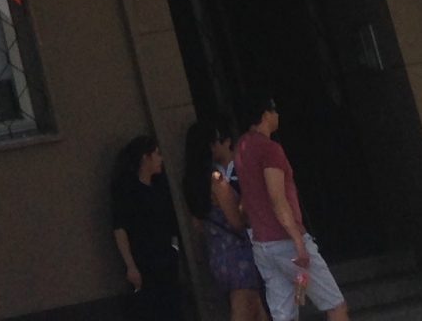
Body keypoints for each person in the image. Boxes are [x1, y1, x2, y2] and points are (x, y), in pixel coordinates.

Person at [233, 96, 350, 321]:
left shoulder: (242, 148)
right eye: (274, 110)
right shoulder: (270, 149)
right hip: (286, 242)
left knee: (284, 313)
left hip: (262, 244)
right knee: (335, 305)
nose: (277, 115)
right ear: (265, 114)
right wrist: (299, 241)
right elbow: (278, 199)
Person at [183, 117, 267, 321]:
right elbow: (237, 220)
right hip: (238, 255)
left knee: (257, 312)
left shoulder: (191, 183)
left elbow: (198, 224)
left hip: (217, 254)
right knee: (243, 311)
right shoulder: (216, 179)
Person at [109, 133, 186, 316]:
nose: (161, 159)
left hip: (166, 258)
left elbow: (171, 219)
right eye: (157, 154)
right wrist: (130, 265)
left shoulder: (160, 185)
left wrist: (174, 248)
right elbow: (120, 228)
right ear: (145, 157)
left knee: (172, 308)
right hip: (144, 261)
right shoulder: (127, 189)